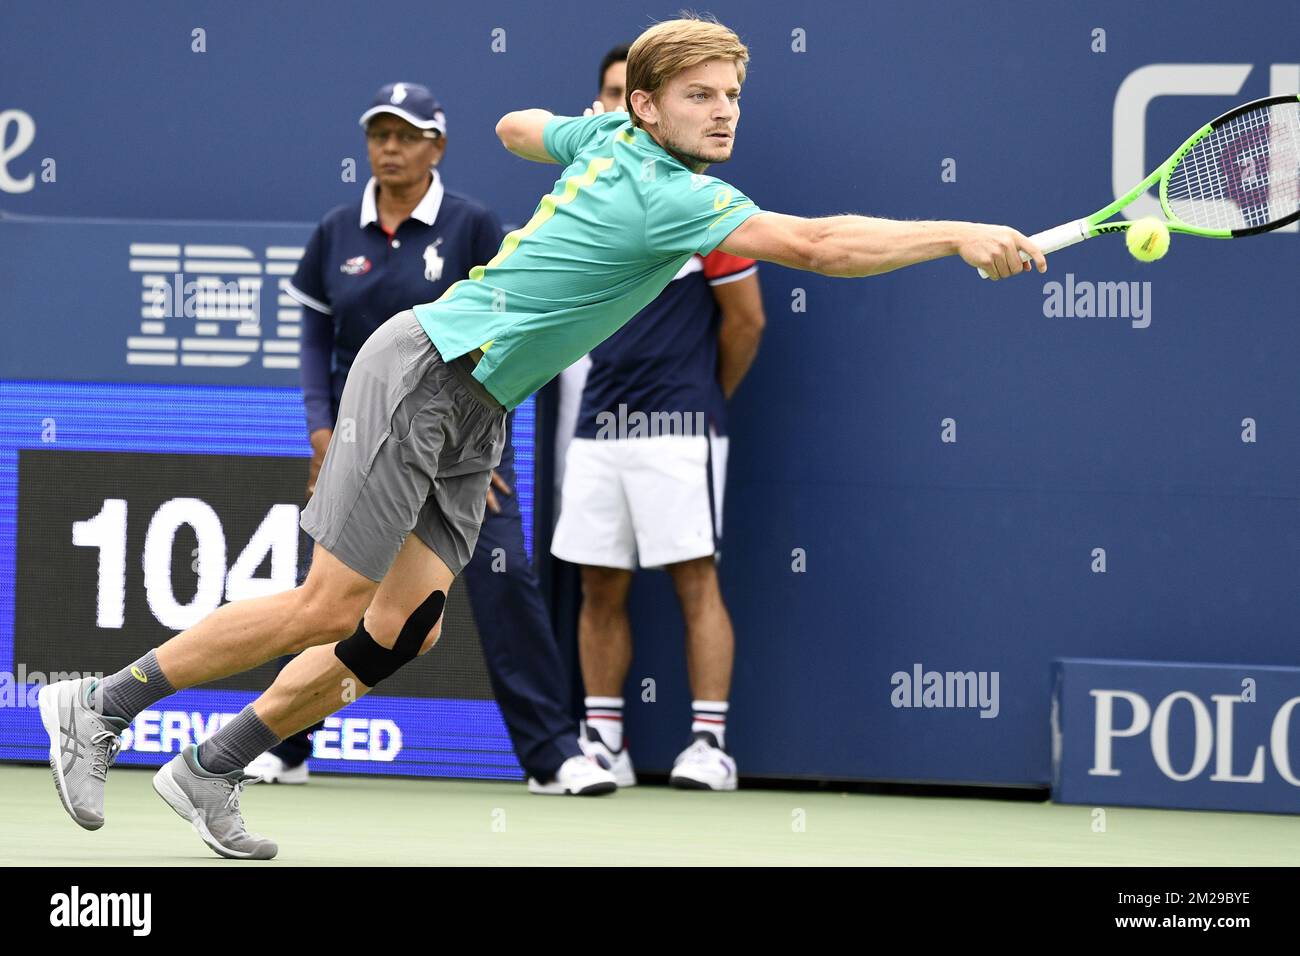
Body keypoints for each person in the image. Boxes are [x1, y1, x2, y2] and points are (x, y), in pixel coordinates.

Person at [38, 13, 1045, 860]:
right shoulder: (671, 195)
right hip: (428, 364)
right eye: (700, 94)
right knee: (330, 601)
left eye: (732, 95)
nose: (724, 110)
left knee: (402, 631)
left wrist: (580, 129)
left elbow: (517, 127)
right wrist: (952, 234)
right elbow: (818, 245)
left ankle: (212, 763)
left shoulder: (610, 141)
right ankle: (101, 702)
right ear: (651, 107)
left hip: (478, 403)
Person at [252, 83, 608, 797]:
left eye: (407, 135)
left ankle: (553, 757)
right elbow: (316, 340)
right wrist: (322, 432)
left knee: (507, 583)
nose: (390, 147)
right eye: (379, 134)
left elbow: (514, 332)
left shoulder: (473, 225)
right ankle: (283, 744)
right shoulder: (335, 231)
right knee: (333, 598)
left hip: (461, 447)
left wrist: (489, 443)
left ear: (437, 146)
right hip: (365, 445)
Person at [550, 45, 767, 791]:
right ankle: (602, 739)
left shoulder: (699, 202)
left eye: (726, 96)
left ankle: (710, 746)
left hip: (680, 425)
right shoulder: (588, 190)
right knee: (598, 583)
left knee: (693, 580)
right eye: (606, 94)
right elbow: (516, 128)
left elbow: (746, 324)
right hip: (597, 423)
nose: (615, 106)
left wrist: (702, 402)